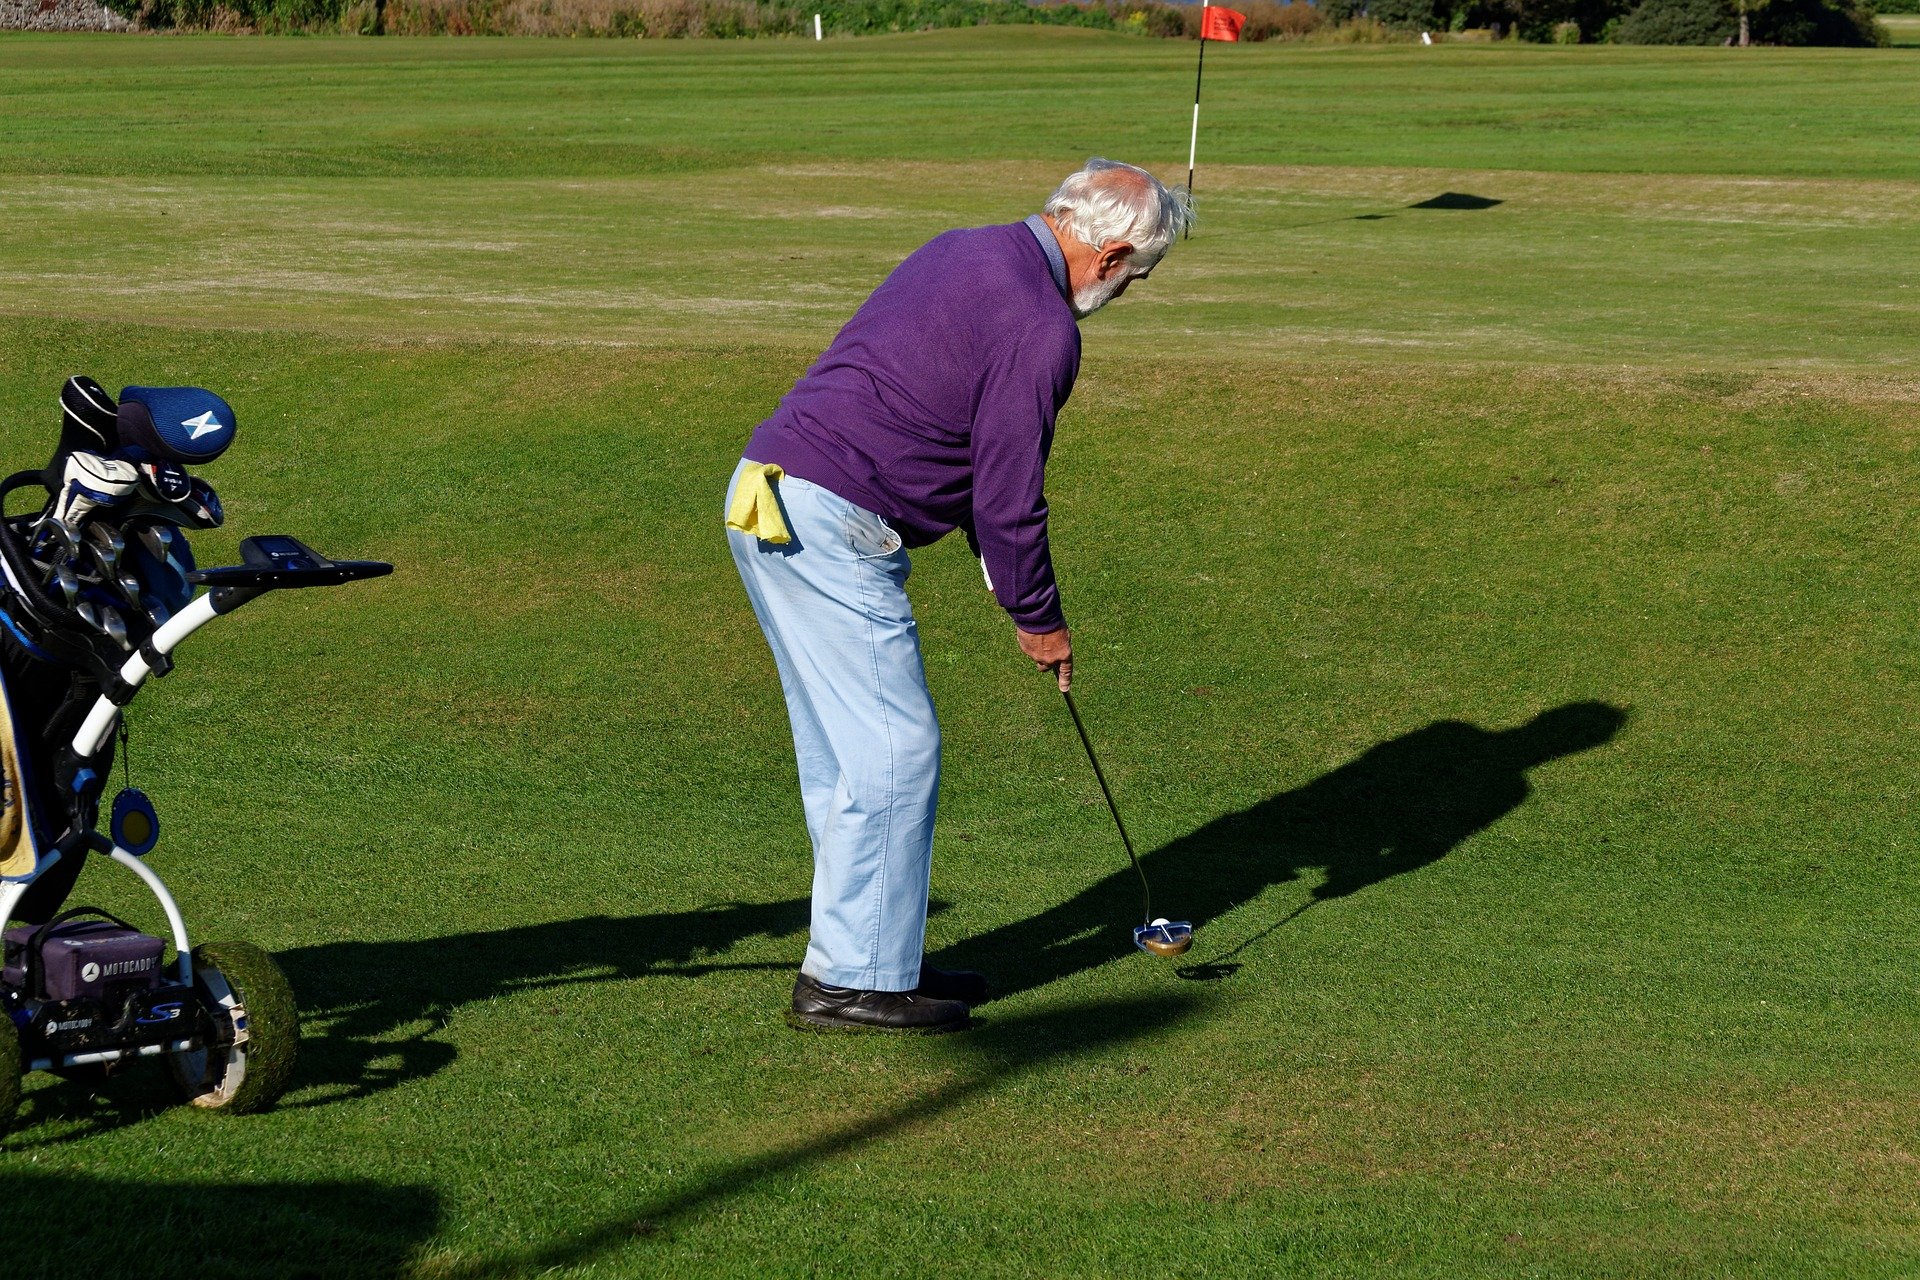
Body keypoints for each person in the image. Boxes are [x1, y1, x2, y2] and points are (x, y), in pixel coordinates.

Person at [725, 158, 1192, 1034]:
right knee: (895, 752)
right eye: (1137, 275)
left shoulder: (964, 249)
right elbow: (1010, 494)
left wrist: (1014, 594)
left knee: (845, 754)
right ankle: (853, 982)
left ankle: (872, 952)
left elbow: (975, 464)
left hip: (766, 493)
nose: (1128, 292)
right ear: (1113, 251)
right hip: (829, 520)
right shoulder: (1042, 325)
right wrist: (1039, 619)